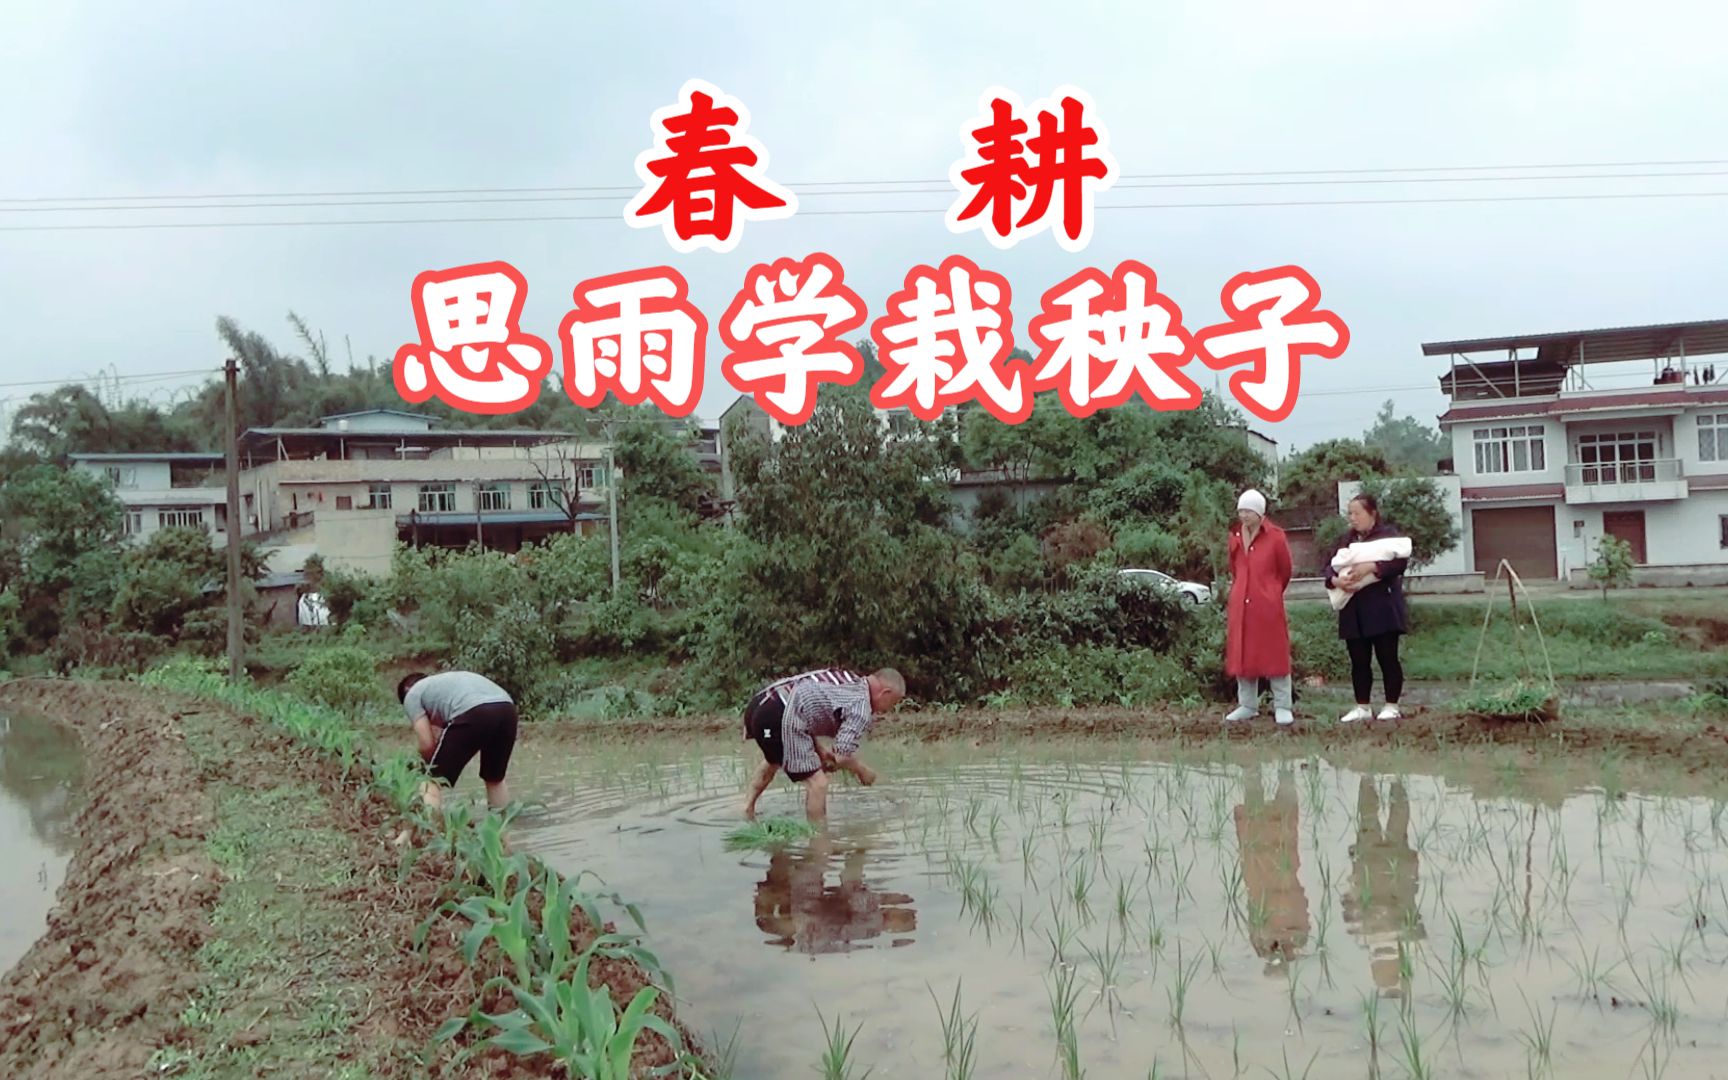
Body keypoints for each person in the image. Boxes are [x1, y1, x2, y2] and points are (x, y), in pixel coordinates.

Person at [741, 666, 906, 821]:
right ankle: (819, 840)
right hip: (779, 714)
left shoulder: (847, 679)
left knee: (774, 759)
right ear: (885, 693)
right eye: (892, 703)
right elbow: (839, 757)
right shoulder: (861, 706)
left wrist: (819, 750)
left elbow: (806, 706)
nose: (887, 710)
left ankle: (747, 810)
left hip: (760, 705)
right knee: (818, 784)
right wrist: (862, 770)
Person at [1324, 493, 1410, 723]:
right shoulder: (1346, 540)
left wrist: (1372, 566)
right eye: (1349, 514)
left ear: (1372, 514)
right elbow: (1329, 566)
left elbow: (1399, 563)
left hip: (1382, 605)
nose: (1352, 518)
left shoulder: (1389, 537)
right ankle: (1362, 706)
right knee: (1358, 660)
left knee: (1387, 657)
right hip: (1353, 607)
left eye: (1357, 513)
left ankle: (1392, 705)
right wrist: (1336, 581)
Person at [1343, 776, 1424, 997]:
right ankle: (1380, 779)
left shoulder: (1405, 936)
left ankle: (1388, 781)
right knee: (1373, 821)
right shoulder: (1362, 937)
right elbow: (1348, 901)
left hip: (1391, 867)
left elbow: (1419, 926)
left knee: (1389, 823)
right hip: (1376, 866)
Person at [397, 670, 519, 810]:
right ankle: (502, 828)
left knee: (431, 780)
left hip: (474, 711)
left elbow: (426, 744)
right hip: (507, 710)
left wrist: (420, 769)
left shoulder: (412, 695)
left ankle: (427, 829)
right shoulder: (442, 684)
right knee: (494, 779)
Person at [1224, 488, 1295, 726]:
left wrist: (1271, 592)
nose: (1243, 515)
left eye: (1248, 511)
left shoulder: (1276, 536)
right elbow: (1234, 568)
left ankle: (1283, 705)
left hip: (1267, 604)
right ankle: (1247, 704)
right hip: (1240, 604)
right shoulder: (1234, 535)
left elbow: (1285, 570)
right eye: (1241, 510)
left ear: (1260, 512)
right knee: (1243, 653)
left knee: (1275, 652)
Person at [1233, 765, 1310, 971]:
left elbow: (1302, 909)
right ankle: (1281, 771)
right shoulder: (1295, 939)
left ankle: (1268, 772)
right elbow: (1302, 909)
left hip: (1266, 878)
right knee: (1273, 828)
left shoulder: (1266, 940)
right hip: (1275, 875)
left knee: (1262, 829)